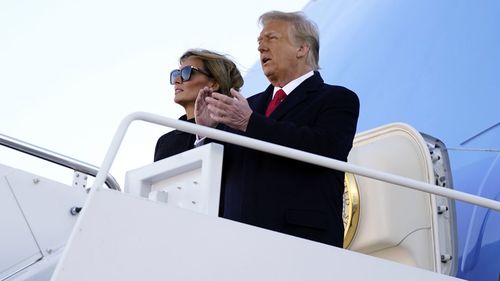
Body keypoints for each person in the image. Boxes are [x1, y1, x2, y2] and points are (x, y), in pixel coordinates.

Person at [195, 11, 360, 247]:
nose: (261, 48)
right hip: (236, 240)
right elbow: (226, 170)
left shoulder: (337, 99)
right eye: (259, 43)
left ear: (302, 48)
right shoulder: (247, 106)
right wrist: (207, 132)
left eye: (271, 38)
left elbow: (326, 149)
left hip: (301, 240)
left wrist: (250, 123)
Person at [154, 49, 243, 162]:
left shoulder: (233, 129)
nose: (177, 80)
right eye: (176, 74)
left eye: (187, 73)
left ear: (214, 83)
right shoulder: (164, 142)